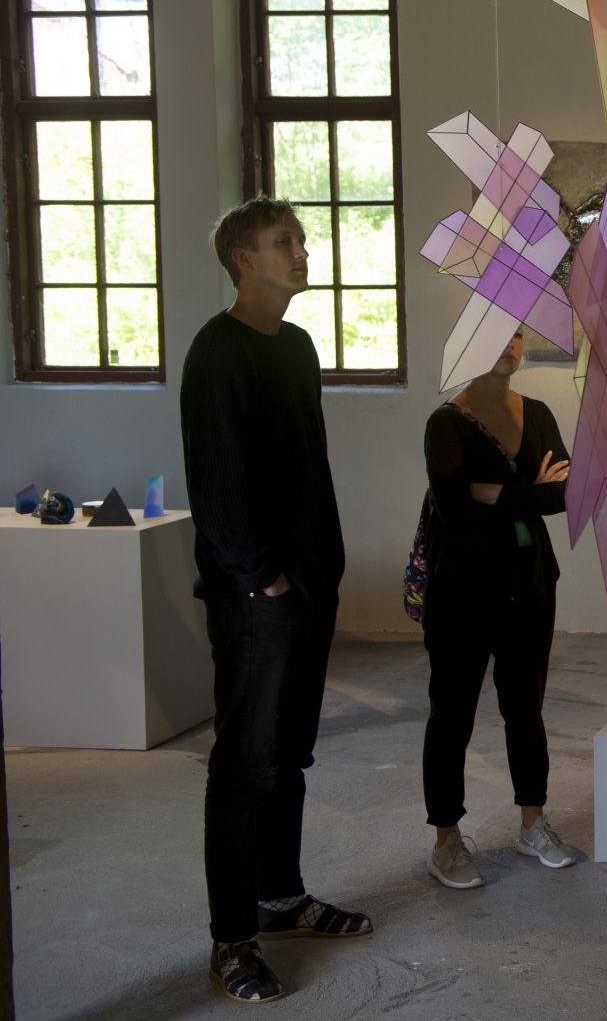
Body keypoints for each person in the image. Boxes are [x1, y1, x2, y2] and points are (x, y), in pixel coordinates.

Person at [180, 197, 369, 1003]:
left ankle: (280, 897)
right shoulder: (217, 353)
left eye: (300, 239)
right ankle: (232, 938)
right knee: (244, 763)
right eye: (283, 241)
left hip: (308, 586)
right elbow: (217, 484)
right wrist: (265, 577)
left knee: (289, 753)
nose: (300, 250)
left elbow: (307, 471)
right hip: (255, 595)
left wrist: (322, 570)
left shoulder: (296, 346)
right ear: (243, 260)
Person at [420, 326, 580, 889]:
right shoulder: (446, 422)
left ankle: (533, 825)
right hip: (461, 589)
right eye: (495, 334)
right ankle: (446, 840)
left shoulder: (536, 413)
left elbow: (565, 494)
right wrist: (528, 492)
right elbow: (454, 510)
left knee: (525, 707)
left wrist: (491, 491)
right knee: (452, 713)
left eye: (515, 335)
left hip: (530, 583)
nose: (509, 346)